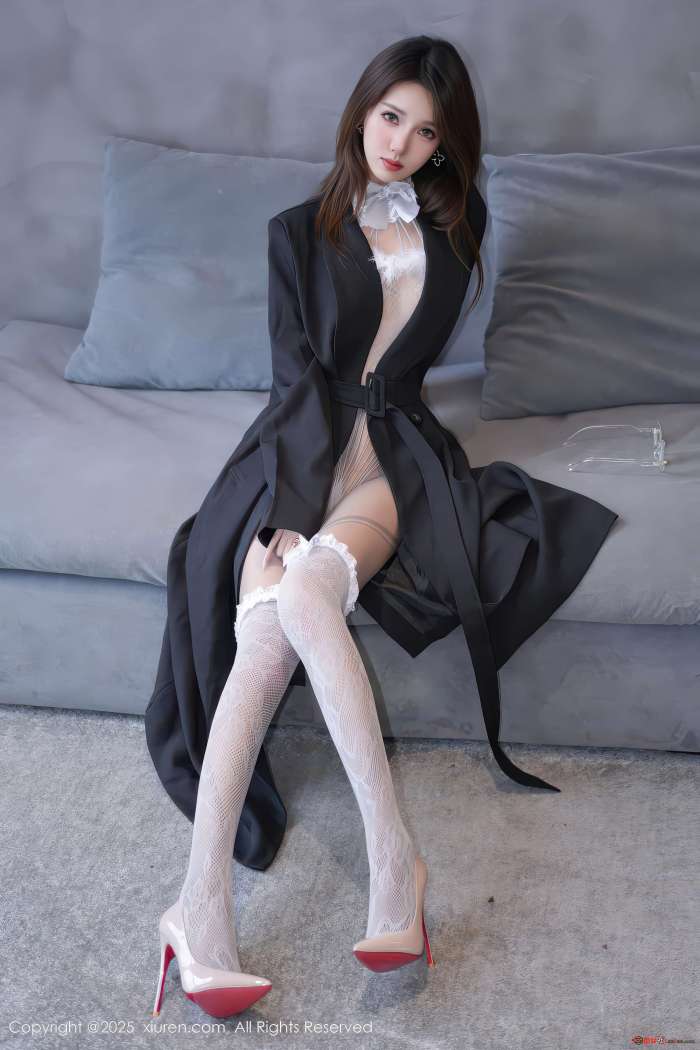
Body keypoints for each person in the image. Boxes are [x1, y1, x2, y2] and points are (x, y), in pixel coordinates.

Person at [150, 35, 619, 1019]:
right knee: (265, 631)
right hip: (298, 450)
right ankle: (202, 909)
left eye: (426, 132)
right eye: (391, 115)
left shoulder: (456, 225)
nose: (400, 143)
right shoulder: (294, 232)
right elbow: (293, 381)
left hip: (393, 453)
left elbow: (403, 366)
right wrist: (288, 510)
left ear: (447, 147)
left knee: (310, 594)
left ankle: (388, 866)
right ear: (363, 109)